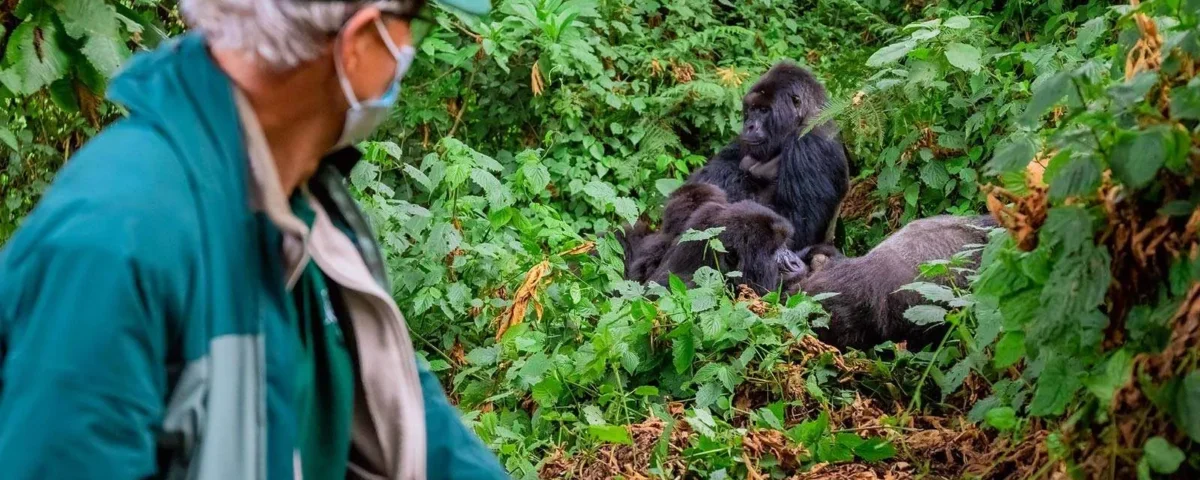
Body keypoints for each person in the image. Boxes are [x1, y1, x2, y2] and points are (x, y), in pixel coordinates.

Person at [0, 0, 508, 479]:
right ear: (358, 40)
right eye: (412, 23)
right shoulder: (114, 239)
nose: (407, 49)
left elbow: (410, 422)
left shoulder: (301, 202)